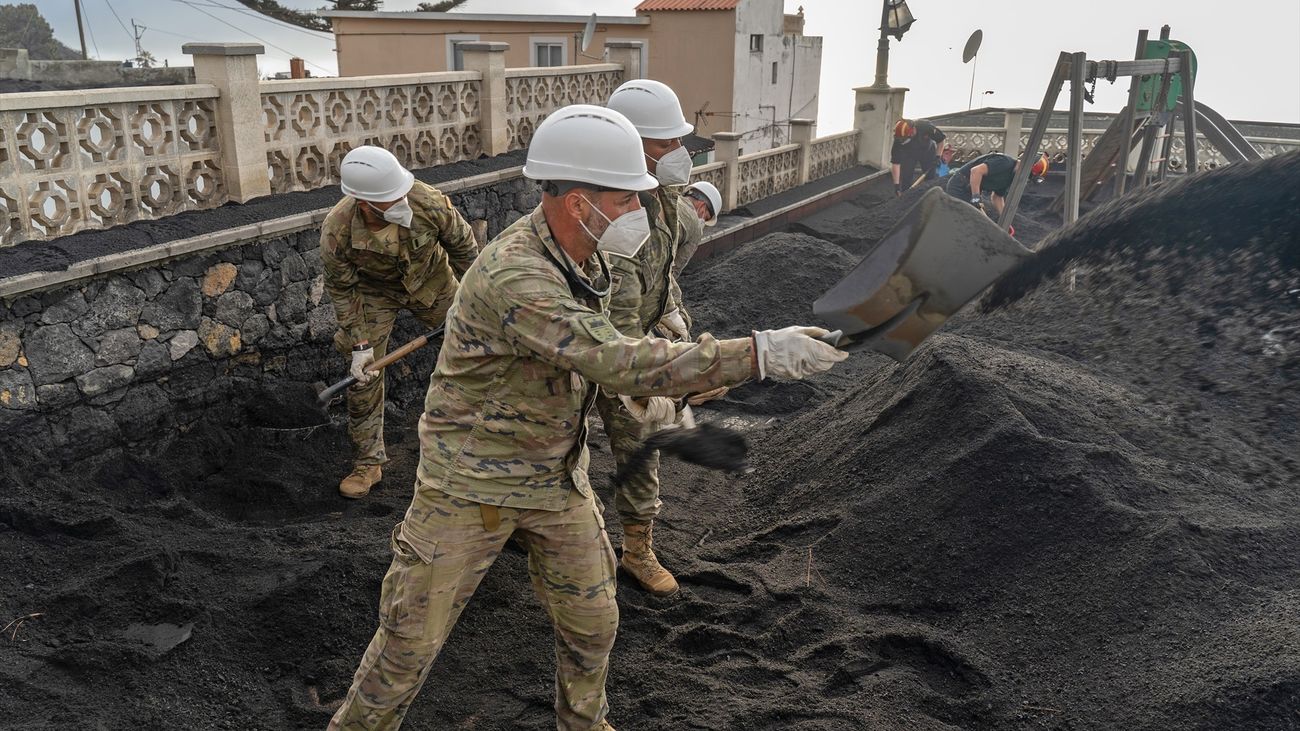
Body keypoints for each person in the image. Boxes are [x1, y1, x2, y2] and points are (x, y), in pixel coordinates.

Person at [327, 104, 847, 731]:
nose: (638, 213)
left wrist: (673, 389)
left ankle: (583, 723)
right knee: (407, 647)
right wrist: (756, 354)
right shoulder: (518, 274)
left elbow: (607, 363)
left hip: (553, 478)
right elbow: (613, 357)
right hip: (470, 486)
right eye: (628, 199)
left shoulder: (588, 259)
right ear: (579, 202)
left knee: (594, 624)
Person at [597, 79, 710, 596]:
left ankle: (637, 550)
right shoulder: (609, 206)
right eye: (667, 144)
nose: (679, 153)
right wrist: (642, 375)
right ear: (637, 145)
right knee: (548, 446)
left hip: (635, 336)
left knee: (640, 446)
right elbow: (607, 303)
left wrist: (673, 317)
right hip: (588, 346)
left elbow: (661, 274)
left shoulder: (665, 202)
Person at [321, 145, 478, 499]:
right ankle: (368, 462)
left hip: (432, 283)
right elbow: (341, 289)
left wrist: (477, 303)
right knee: (364, 377)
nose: (403, 199)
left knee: (474, 353)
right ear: (364, 203)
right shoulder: (338, 229)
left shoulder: (428, 202)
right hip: (374, 293)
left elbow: (466, 250)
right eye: (393, 198)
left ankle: (474, 444)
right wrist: (360, 345)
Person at [945, 151, 1050, 217]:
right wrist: (976, 197)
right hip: (959, 185)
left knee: (981, 222)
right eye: (1029, 175)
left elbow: (997, 197)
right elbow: (976, 171)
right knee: (965, 218)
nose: (1026, 179)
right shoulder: (1004, 162)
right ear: (1026, 166)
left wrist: (1005, 219)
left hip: (971, 191)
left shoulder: (1011, 178)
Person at [890, 118, 946, 195]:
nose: (904, 140)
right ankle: (905, 196)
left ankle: (929, 195)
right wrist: (896, 185)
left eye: (906, 138)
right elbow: (895, 163)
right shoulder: (898, 141)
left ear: (913, 130)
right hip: (909, 155)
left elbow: (941, 140)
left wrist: (937, 156)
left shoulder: (925, 126)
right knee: (906, 178)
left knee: (930, 176)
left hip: (928, 151)